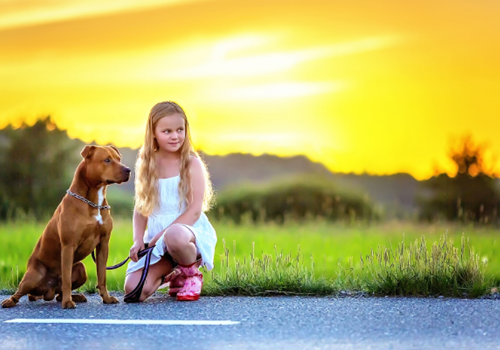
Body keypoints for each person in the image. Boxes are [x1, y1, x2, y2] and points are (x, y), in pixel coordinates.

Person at [124, 101, 216, 302]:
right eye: (167, 131)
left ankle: (191, 273)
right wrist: (138, 240)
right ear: (153, 133)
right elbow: (141, 207)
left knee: (174, 234)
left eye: (180, 130)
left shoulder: (191, 163)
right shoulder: (147, 164)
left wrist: (162, 235)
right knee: (132, 290)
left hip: (185, 234)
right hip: (158, 241)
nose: (175, 136)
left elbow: (194, 211)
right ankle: (174, 273)